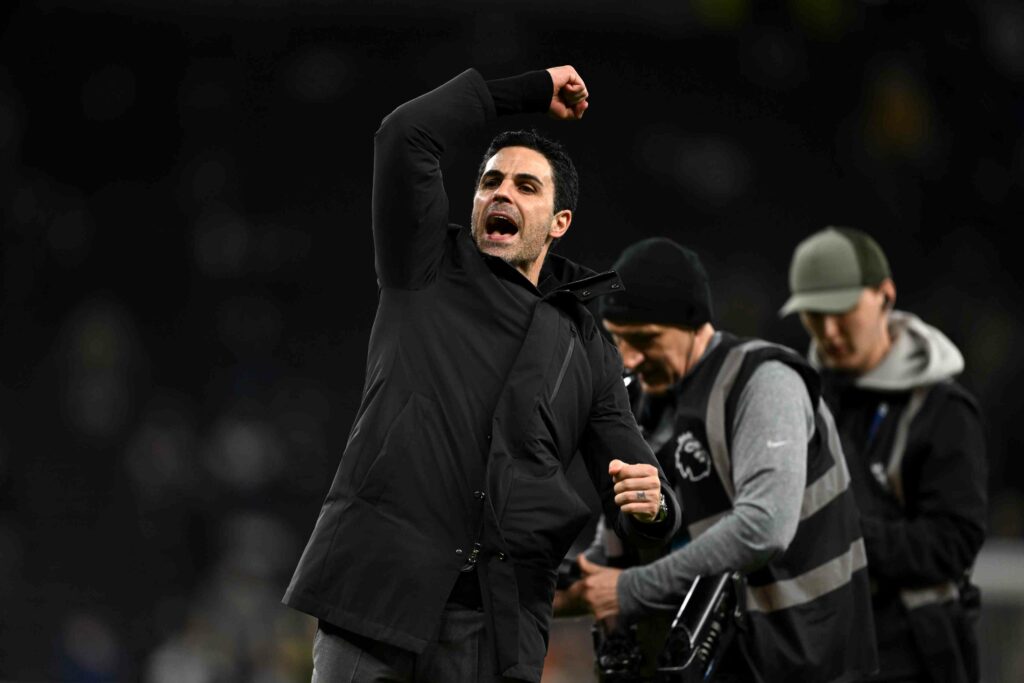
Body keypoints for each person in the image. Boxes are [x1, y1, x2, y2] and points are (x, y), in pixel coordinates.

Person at [281, 65, 680, 683]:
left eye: (526, 187)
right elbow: (403, 134)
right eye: (490, 181)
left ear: (559, 222)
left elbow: (631, 478)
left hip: (493, 629)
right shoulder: (425, 263)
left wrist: (655, 509)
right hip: (375, 601)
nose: (502, 194)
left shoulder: (587, 344)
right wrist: (524, 93)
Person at [562, 237, 878, 682]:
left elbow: (763, 526)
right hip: (732, 664)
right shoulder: (643, 408)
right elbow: (612, 553)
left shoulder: (764, 381)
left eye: (645, 339)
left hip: (807, 660)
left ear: (693, 323)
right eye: (618, 341)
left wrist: (630, 590)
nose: (629, 360)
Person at [779, 226, 987, 683]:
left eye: (843, 311)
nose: (829, 331)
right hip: (816, 647)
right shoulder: (793, 396)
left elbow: (954, 543)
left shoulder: (941, 409)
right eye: (814, 315)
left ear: (885, 296)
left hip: (915, 654)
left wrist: (836, 533)